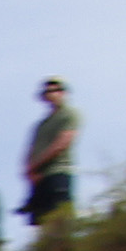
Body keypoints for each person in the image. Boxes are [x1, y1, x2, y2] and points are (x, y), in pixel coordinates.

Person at [23, 78, 80, 234]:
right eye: (47, 92)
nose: (51, 94)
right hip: (40, 178)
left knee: (61, 219)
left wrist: (36, 165)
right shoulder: (41, 125)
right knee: (42, 221)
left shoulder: (69, 114)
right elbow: (32, 149)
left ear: (63, 93)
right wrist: (30, 170)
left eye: (55, 90)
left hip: (58, 171)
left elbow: (62, 143)